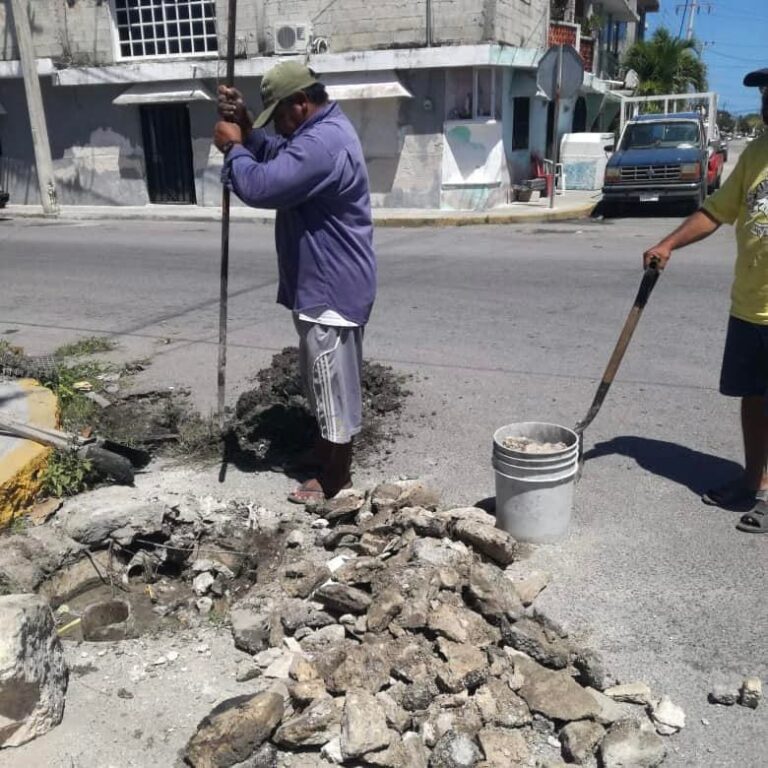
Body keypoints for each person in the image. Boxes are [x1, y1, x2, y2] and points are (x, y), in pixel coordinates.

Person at [213, 60, 377, 504]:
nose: (279, 129)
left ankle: (336, 476)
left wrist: (234, 149)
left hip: (331, 287)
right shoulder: (315, 134)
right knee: (320, 378)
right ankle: (325, 451)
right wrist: (247, 127)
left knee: (331, 381)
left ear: (300, 103)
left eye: (280, 117)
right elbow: (278, 156)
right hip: (321, 284)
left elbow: (264, 186)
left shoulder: (323, 143)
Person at [643, 68, 768, 533]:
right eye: (764, 94)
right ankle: (752, 479)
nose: (765, 103)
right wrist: (668, 244)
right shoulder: (757, 152)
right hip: (751, 305)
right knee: (753, 400)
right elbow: (717, 212)